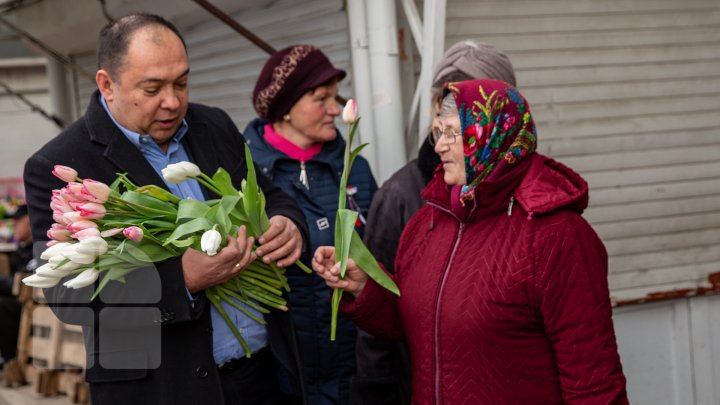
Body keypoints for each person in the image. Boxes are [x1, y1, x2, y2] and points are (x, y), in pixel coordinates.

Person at [23, 13, 309, 405]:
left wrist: (286, 222)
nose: (172, 102)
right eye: (153, 88)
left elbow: (270, 194)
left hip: (262, 373)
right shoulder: (60, 165)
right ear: (107, 85)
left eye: (182, 83)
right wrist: (181, 280)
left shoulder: (213, 125)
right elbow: (68, 297)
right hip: (163, 388)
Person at [313, 79, 629, 404]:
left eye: (453, 133)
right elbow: (418, 321)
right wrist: (365, 286)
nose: (438, 146)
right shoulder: (429, 222)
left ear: (495, 135)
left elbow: (593, 380)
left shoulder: (557, 236)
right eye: (439, 131)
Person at [353, 40, 518, 405]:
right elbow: (385, 324)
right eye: (440, 105)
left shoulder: (534, 205)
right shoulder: (401, 196)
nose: (447, 121)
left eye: (467, 107)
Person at [244, 44, 378, 405]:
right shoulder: (247, 172)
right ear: (285, 109)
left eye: (336, 98)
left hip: (354, 371)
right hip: (284, 375)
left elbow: (378, 253)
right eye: (321, 99)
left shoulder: (352, 166)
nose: (335, 109)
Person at [0, 205, 33, 365]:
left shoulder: (39, 249)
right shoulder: (22, 250)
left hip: (34, 306)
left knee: (3, 305)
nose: (14, 224)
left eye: (18, 220)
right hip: (23, 301)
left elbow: (25, 285)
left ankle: (10, 358)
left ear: (30, 219)